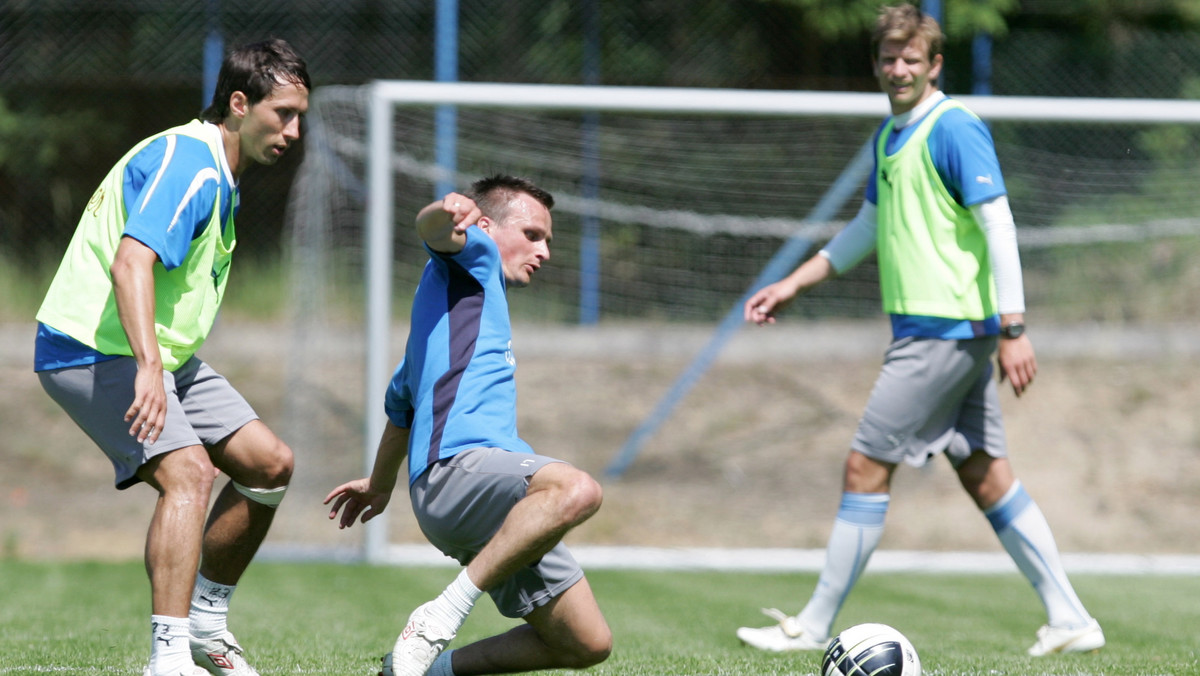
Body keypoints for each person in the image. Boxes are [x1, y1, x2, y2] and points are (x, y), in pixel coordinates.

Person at [735, 4, 1105, 658]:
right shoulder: (889, 136)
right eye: (888, 58)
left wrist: (1015, 326)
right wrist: (795, 281)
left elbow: (1000, 227)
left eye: (912, 58)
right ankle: (1070, 617)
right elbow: (866, 230)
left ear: (934, 65)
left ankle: (814, 625)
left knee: (863, 465)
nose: (898, 69)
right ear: (877, 64)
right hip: (940, 334)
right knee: (986, 474)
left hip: (946, 332)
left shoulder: (954, 127)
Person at [34, 39, 310, 676]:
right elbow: (132, 262)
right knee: (188, 473)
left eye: (300, 116)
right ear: (239, 104)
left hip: (161, 355)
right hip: (89, 350)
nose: (294, 131)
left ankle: (206, 625)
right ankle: (167, 659)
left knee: (268, 464)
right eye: (284, 113)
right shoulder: (194, 166)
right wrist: (150, 370)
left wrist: (163, 363)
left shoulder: (217, 163)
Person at [325, 175, 613, 676]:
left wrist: (379, 484)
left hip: (469, 497)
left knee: (586, 643)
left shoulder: (450, 316)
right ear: (483, 226)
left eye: (548, 240)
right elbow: (435, 230)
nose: (544, 251)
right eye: (533, 234)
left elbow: (402, 406)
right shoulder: (474, 260)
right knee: (578, 490)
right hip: (459, 471)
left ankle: (417, 670)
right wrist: (445, 210)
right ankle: (439, 617)